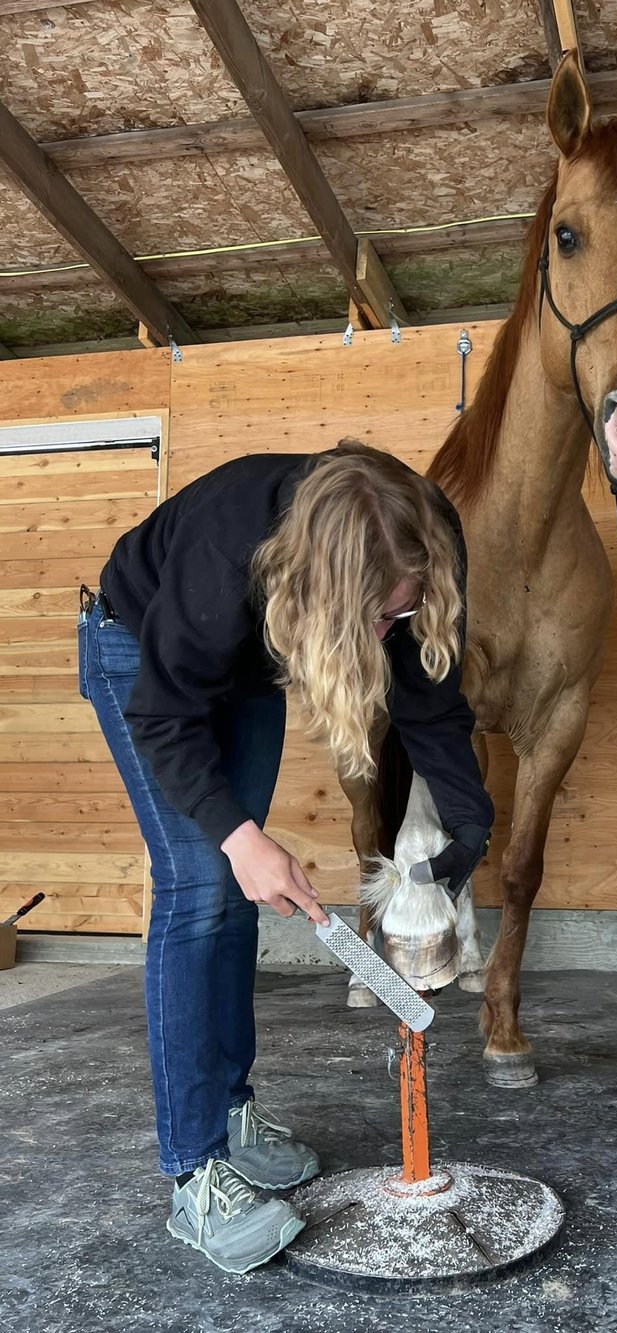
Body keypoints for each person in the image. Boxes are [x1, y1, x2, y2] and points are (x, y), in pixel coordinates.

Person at [78, 439, 493, 1274]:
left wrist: (470, 819)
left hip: (248, 662)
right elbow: (164, 711)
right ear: (326, 586)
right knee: (201, 887)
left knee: (236, 898)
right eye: (375, 617)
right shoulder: (227, 545)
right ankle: (195, 1173)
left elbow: (427, 694)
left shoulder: (416, 536)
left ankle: (232, 1113)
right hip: (145, 657)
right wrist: (240, 837)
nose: (388, 632)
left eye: (400, 613)